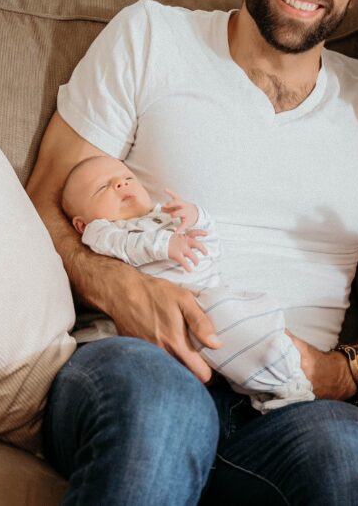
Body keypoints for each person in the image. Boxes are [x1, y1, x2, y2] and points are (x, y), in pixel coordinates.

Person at [26, 0, 358, 505]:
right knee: (160, 414)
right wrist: (117, 284)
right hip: (138, 366)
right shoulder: (152, 35)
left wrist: (340, 374)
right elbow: (41, 202)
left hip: (290, 404)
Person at [61, 155, 313, 411]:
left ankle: (279, 380)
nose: (120, 184)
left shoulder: (164, 216)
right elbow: (126, 246)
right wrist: (164, 245)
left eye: (128, 178)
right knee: (224, 324)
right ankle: (279, 383)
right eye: (103, 187)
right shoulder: (102, 232)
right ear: (81, 224)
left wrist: (195, 217)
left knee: (242, 318)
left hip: (209, 293)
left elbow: (210, 250)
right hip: (174, 316)